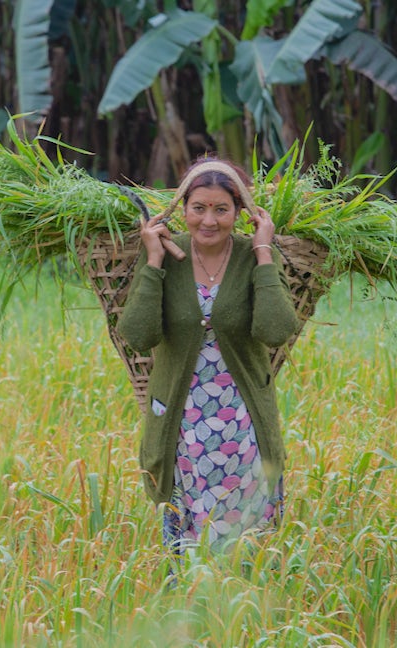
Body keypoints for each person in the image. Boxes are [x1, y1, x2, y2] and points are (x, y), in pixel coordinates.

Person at [117, 156, 299, 553]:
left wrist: (265, 251)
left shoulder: (253, 257)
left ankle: (246, 613)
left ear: (240, 212)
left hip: (242, 427)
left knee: (246, 546)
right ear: (183, 210)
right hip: (182, 428)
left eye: (222, 209)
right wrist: (152, 261)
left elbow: (276, 330)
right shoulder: (167, 256)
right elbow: (137, 335)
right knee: (189, 547)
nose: (209, 221)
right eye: (198, 208)